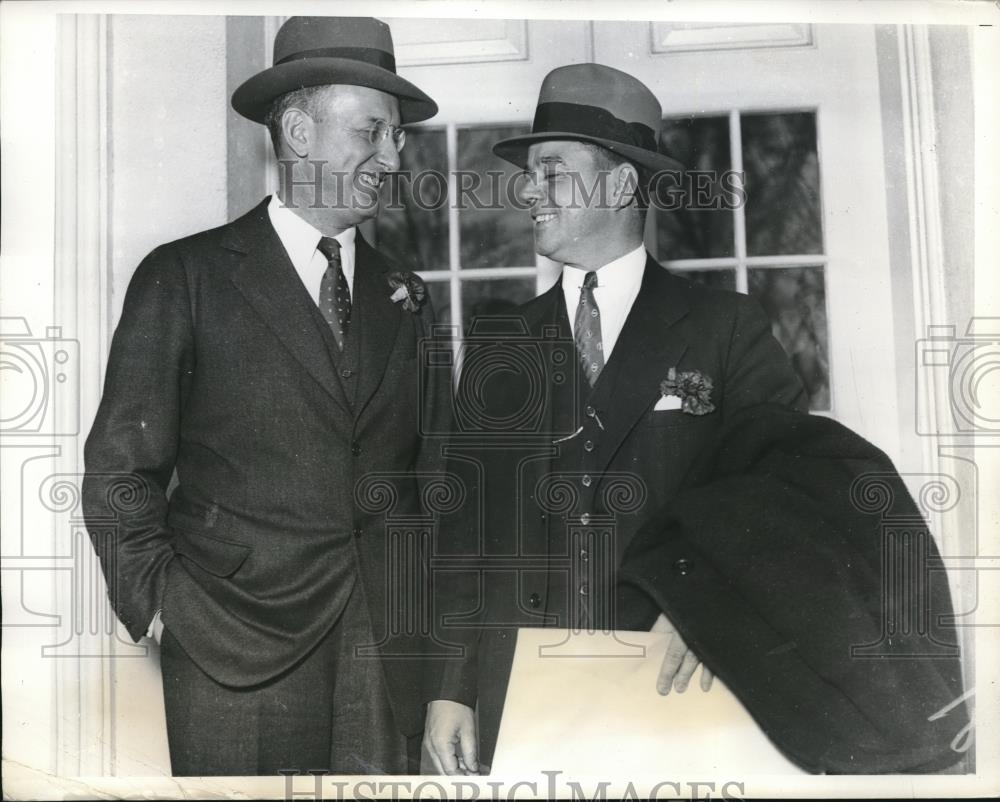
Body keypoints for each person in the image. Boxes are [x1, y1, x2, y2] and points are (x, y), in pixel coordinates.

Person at [423, 63, 968, 776]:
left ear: (620, 185)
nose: (529, 192)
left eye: (550, 172)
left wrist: (710, 600)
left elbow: (790, 493)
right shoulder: (500, 342)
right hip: (521, 694)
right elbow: (463, 529)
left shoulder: (725, 328)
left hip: (678, 689)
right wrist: (450, 690)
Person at [82, 16, 450, 776]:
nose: (391, 156)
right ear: (298, 131)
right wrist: (161, 608)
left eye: (399, 138)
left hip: (382, 656)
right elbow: (120, 470)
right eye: (373, 132)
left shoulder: (405, 294)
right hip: (229, 652)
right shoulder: (184, 277)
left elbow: (432, 488)